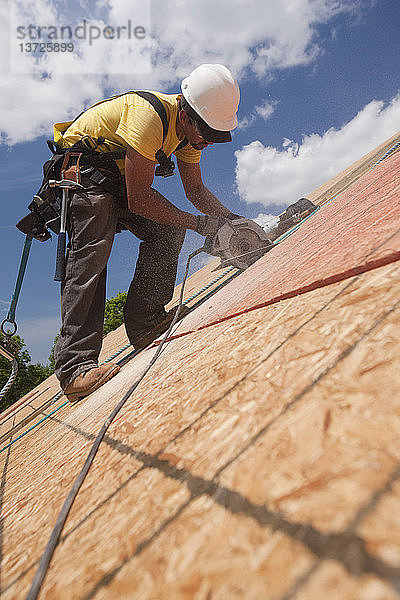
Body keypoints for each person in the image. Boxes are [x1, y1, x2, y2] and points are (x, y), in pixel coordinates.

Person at [52, 63, 242, 402]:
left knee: (168, 229)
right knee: (92, 253)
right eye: (207, 135)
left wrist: (233, 220)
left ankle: (147, 321)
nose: (207, 143)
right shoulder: (149, 116)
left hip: (118, 182)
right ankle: (75, 367)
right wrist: (198, 224)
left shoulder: (189, 134)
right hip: (85, 177)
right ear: (185, 115)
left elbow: (195, 192)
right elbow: (139, 198)